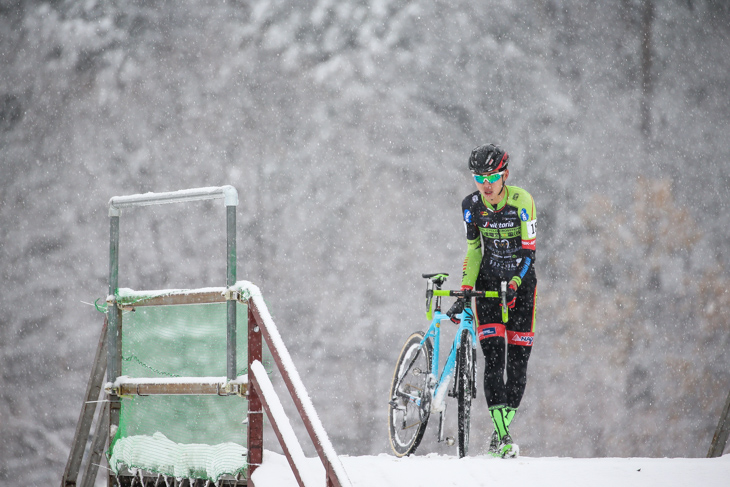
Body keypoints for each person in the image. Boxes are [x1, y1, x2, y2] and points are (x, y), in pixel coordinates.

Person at [449, 143, 537, 458]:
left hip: (521, 285)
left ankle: (500, 435)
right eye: (479, 177)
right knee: (493, 358)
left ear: (504, 175)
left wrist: (514, 283)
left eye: (491, 176)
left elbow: (529, 252)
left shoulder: (522, 202)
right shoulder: (471, 205)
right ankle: (502, 438)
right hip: (487, 284)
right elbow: (474, 250)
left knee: (517, 365)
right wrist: (465, 289)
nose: (485, 184)